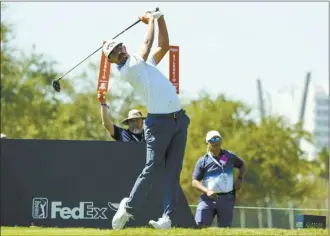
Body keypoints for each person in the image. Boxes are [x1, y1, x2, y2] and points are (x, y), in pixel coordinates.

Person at [102, 8, 190, 230]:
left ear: (124, 46)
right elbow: (148, 43)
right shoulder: (129, 68)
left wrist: (161, 19)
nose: (119, 52)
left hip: (179, 120)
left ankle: (167, 219)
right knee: (152, 168)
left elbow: (163, 45)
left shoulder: (143, 63)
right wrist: (150, 21)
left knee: (173, 171)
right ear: (112, 61)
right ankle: (128, 208)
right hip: (158, 123)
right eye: (113, 53)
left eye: (119, 47)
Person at [192, 130, 245, 228]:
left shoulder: (229, 156)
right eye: (212, 139)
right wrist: (206, 191)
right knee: (199, 226)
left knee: (225, 229)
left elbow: (242, 165)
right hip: (207, 200)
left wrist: (240, 179)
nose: (216, 141)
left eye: (218, 138)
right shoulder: (202, 161)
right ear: (207, 143)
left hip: (227, 199)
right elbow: (194, 182)